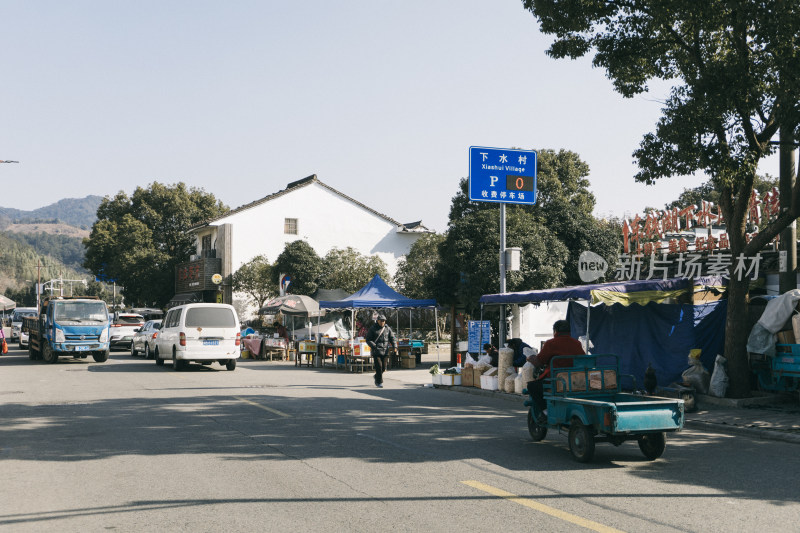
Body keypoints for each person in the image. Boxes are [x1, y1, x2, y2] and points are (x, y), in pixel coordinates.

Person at [527, 319, 585, 423]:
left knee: (532, 386)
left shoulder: (551, 343)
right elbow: (583, 359)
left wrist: (531, 358)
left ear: (555, 331)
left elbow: (540, 361)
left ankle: (546, 411)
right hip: (574, 379)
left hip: (555, 380)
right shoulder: (577, 343)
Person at [365, 314, 397, 388]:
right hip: (376, 351)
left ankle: (376, 376)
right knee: (379, 367)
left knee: (383, 368)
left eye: (384, 321)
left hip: (385, 350)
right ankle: (379, 382)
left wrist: (395, 346)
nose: (383, 322)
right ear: (378, 321)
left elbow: (392, 338)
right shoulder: (373, 328)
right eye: (381, 321)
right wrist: (374, 346)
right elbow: (368, 339)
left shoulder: (387, 329)